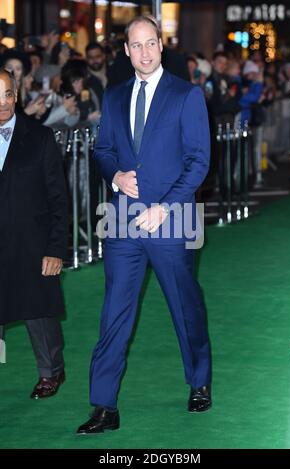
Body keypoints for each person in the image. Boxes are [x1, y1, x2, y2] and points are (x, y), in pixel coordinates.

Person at [77, 16, 212, 435]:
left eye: (151, 43)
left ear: (161, 45)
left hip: (173, 221)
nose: (145, 52)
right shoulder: (115, 97)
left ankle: (199, 380)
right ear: (126, 51)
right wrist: (115, 175)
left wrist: (166, 207)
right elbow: (102, 150)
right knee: (114, 312)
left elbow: (198, 161)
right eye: (136, 46)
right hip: (123, 221)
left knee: (183, 305)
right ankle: (103, 405)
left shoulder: (186, 95)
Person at [0, 68, 68, 399]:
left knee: (38, 312)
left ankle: (50, 371)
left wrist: (56, 248)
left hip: (33, 242)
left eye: (8, 95)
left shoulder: (39, 138)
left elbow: (59, 199)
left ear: (17, 96)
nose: (2, 103)